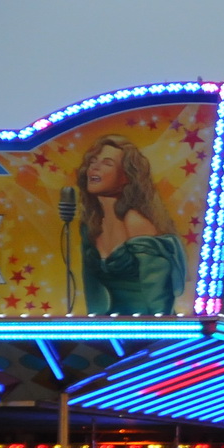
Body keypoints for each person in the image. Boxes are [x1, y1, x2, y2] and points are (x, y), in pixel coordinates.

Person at [75, 135, 187, 315]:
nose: (95, 167)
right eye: (93, 161)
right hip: (111, 328)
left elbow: (159, 301)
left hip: (149, 330)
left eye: (107, 163)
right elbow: (93, 296)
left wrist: (157, 337)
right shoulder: (91, 226)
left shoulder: (136, 223)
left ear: (126, 176)